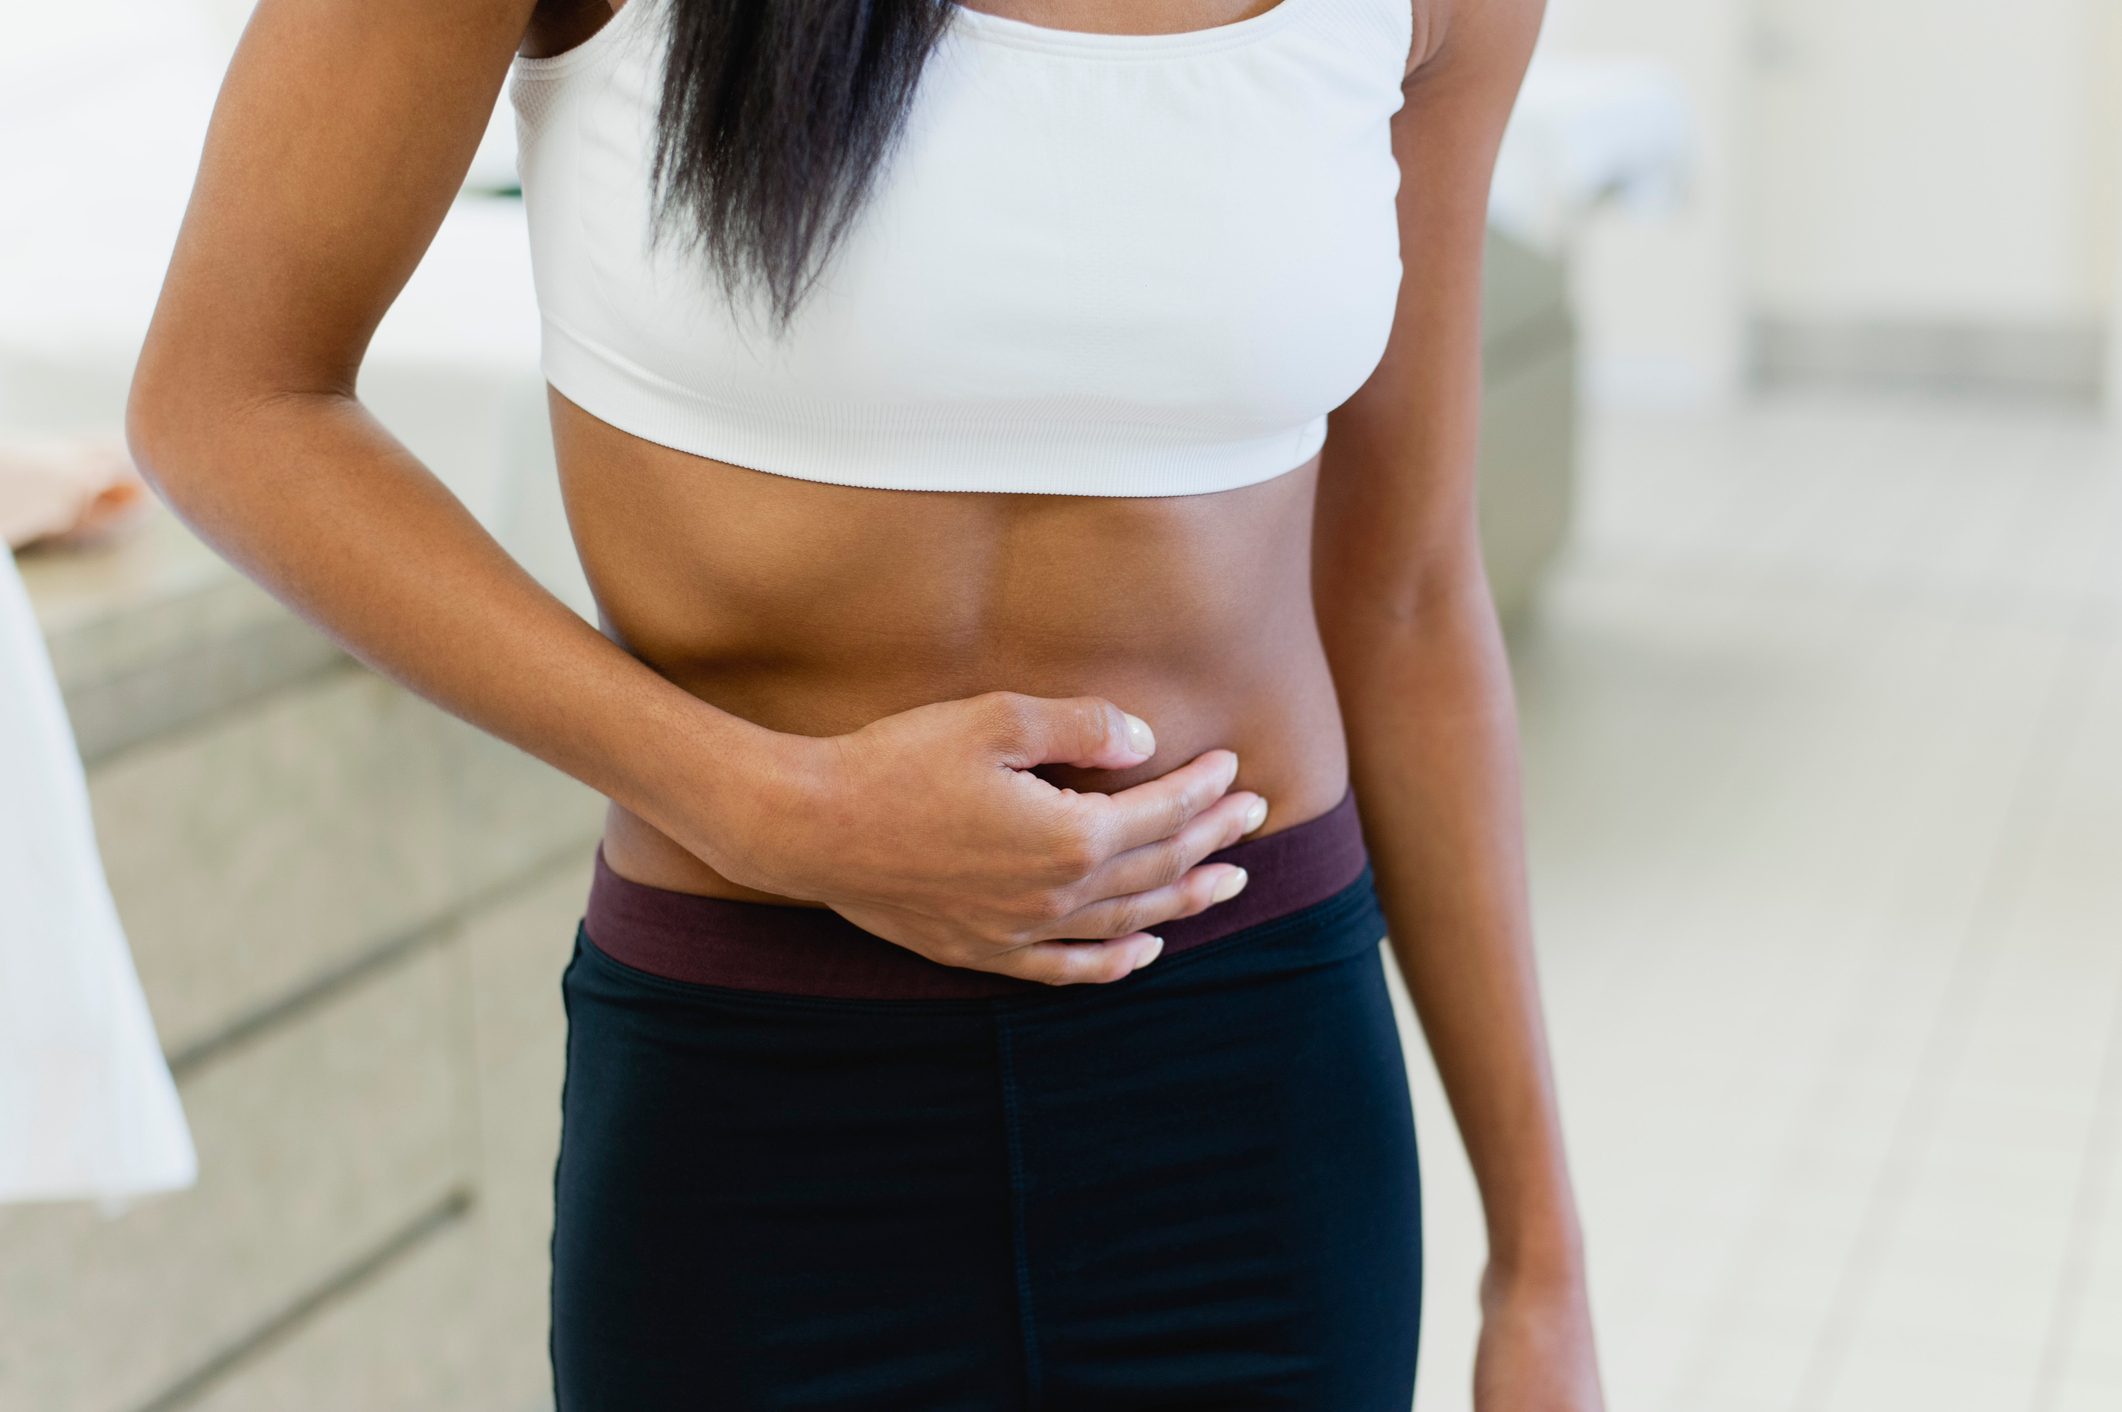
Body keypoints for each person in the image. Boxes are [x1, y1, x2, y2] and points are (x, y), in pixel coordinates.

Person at [126, 0, 1603, 1406]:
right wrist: (768, 806)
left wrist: (1540, 1270)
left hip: (1250, 1090)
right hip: (757, 1089)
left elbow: (1408, 598)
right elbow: (231, 398)